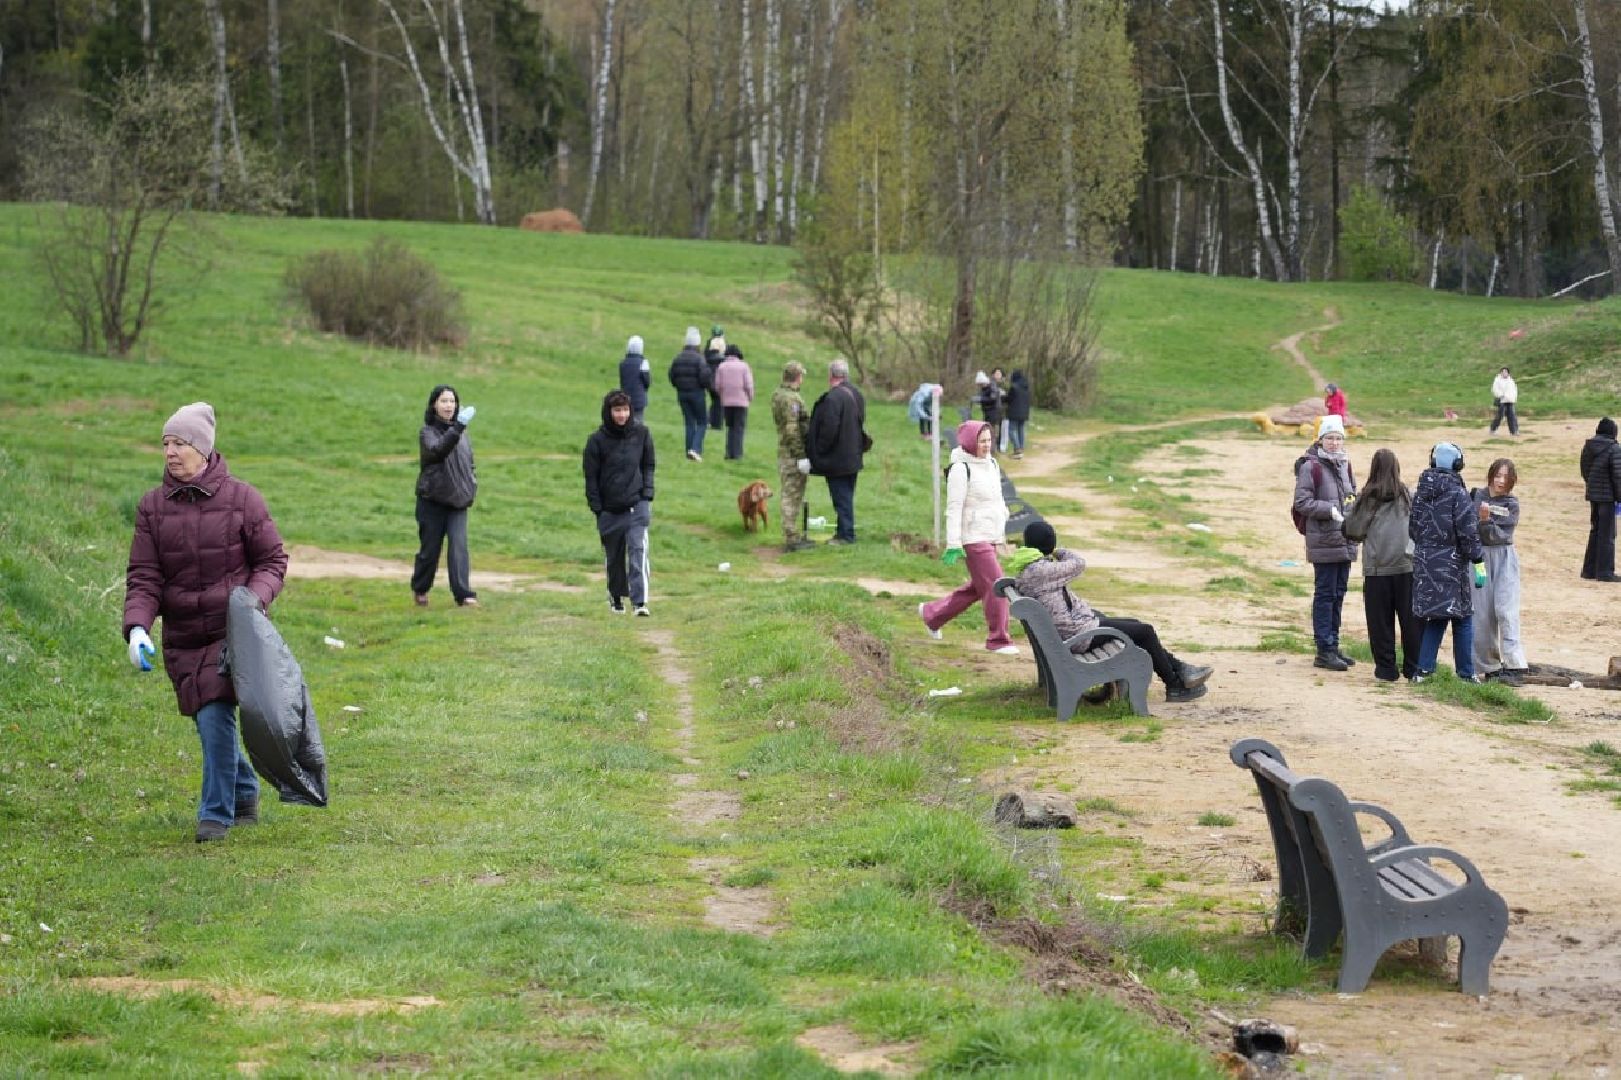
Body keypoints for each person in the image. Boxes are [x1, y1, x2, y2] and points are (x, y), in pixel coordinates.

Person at [124, 402, 289, 843]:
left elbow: (272, 560)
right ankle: (246, 789)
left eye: (180, 443)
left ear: (202, 448)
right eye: (166, 444)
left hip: (229, 632)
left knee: (216, 715)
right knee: (204, 718)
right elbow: (145, 576)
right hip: (181, 637)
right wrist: (137, 627)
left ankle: (215, 816)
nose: (171, 452)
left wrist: (251, 602)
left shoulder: (243, 500)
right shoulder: (151, 508)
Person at [1007, 522, 1213, 703]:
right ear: (1048, 544)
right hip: (1078, 636)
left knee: (1134, 624)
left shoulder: (1030, 568)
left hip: (1070, 632)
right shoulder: (1041, 571)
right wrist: (1057, 551)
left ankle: (1180, 669)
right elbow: (1079, 563)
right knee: (1145, 631)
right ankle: (1174, 684)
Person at [917, 421, 1017, 654]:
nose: (986, 445)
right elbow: (954, 508)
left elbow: (997, 500)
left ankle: (932, 614)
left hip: (990, 535)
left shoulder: (991, 462)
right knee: (996, 585)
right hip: (972, 538)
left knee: (978, 587)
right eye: (982, 441)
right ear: (971, 442)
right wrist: (953, 543)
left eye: (989, 440)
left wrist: (1000, 534)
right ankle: (998, 639)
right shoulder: (961, 469)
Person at [1409, 442, 1486, 682]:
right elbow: (1468, 531)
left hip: (1425, 563)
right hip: (1452, 565)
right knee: (1463, 618)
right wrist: (1478, 559)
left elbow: (1413, 529)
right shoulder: (1458, 493)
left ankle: (1423, 670)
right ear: (1457, 464)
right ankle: (1465, 673)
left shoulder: (1420, 492)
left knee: (1437, 616)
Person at [1344, 449, 1421, 682]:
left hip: (1377, 569)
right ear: (1396, 468)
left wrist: (1349, 512)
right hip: (1407, 566)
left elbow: (1353, 531)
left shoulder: (1367, 498)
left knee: (1380, 623)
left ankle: (1386, 669)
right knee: (1412, 622)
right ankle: (1413, 668)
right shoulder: (1408, 495)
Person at [1293, 414, 1359, 671]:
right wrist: (1330, 508)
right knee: (1325, 594)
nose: (1334, 443)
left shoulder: (1345, 464)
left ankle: (1333, 643)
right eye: (1329, 438)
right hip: (1324, 539)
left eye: (1338, 438)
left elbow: (1351, 493)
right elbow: (1302, 502)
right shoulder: (1312, 467)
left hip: (1345, 537)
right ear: (1320, 439)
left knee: (1339, 593)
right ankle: (1324, 648)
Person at [584, 390, 655, 615]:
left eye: (625, 410)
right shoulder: (596, 441)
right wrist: (597, 507)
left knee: (638, 550)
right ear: (609, 412)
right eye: (617, 410)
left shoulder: (642, 434)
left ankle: (640, 602)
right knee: (614, 557)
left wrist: (647, 493)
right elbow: (591, 477)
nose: (622, 415)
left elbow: (648, 465)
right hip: (609, 508)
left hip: (637, 504)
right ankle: (616, 597)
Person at [412, 384, 479, 608]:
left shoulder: (463, 434)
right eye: (444, 401)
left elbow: (469, 463)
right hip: (432, 500)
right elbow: (438, 450)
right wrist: (458, 427)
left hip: (458, 501)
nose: (449, 405)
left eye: (452, 401)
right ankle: (420, 588)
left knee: (459, 546)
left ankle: (464, 595)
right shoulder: (427, 432)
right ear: (434, 405)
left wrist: (472, 483)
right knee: (430, 551)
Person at [1472, 458, 1526, 685]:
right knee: (1481, 613)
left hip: (1504, 558)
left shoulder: (1512, 504)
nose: (1500, 481)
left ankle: (1515, 664)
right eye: (1497, 475)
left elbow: (1500, 535)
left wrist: (1485, 521)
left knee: (1506, 610)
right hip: (1479, 560)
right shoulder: (1476, 495)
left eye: (1505, 476)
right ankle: (1489, 665)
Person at [807, 357, 866, 545]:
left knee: (841, 497)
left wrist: (820, 450)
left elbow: (829, 428)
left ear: (831, 375)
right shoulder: (856, 394)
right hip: (853, 454)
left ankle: (846, 535)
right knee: (846, 494)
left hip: (837, 458)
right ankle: (842, 532)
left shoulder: (833, 397)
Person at [772, 361, 816, 553]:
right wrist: (800, 456)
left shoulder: (778, 394)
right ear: (798, 377)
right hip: (791, 454)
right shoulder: (791, 400)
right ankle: (791, 538)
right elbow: (792, 429)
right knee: (792, 494)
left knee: (789, 493)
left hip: (784, 451)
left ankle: (792, 535)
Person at [1580, 417, 1621, 581]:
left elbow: (1584, 470)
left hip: (1594, 495)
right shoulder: (1614, 448)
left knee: (1595, 531)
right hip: (1608, 497)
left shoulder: (1588, 447)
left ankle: (1589, 570)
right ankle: (1604, 572)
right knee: (1607, 534)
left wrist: (1592, 486)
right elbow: (1618, 476)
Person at [668, 326, 710, 462]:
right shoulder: (699, 359)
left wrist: (679, 386)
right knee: (703, 422)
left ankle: (689, 450)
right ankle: (696, 449)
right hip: (696, 393)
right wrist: (706, 386)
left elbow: (672, 375)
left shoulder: (678, 358)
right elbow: (705, 377)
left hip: (682, 394)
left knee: (689, 422)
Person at [714, 343, 755, 460]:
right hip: (741, 402)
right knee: (739, 428)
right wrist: (750, 397)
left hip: (727, 402)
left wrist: (722, 396)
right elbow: (749, 385)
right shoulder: (744, 366)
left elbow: (717, 385)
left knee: (730, 427)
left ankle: (728, 452)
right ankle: (737, 453)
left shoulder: (721, 366)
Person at [618, 334, 650, 425]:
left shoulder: (623, 363)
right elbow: (647, 381)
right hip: (639, 399)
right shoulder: (643, 363)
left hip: (626, 397)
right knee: (638, 422)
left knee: (626, 422)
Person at [704, 324, 728, 430]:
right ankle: (716, 424)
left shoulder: (708, 352)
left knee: (715, 401)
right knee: (719, 402)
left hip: (709, 380)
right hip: (719, 381)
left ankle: (709, 420)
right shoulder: (723, 357)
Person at [1005, 370, 1031, 459]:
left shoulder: (1014, 387)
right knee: (1021, 430)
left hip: (1014, 412)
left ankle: (1017, 449)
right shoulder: (1026, 387)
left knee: (1012, 430)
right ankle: (1021, 448)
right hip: (1024, 413)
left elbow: (1009, 399)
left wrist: (1002, 397)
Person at [1490, 367, 1518, 436]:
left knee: (1512, 416)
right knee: (1499, 416)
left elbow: (1514, 390)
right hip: (1502, 401)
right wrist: (1501, 395)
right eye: (1503, 372)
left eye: (1506, 372)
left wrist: (1513, 398)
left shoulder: (1511, 381)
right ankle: (1493, 429)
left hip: (1510, 401)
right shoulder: (1497, 380)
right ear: (1501, 373)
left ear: (1508, 373)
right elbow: (1495, 390)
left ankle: (1514, 431)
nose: (1504, 373)